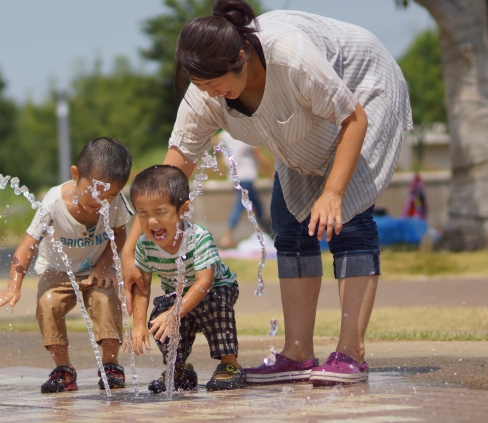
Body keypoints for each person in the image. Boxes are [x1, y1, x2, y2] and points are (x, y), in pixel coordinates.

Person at [123, 0, 412, 387]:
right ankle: (297, 352)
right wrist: (131, 251)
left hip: (362, 92)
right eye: (202, 87)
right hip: (305, 127)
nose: (211, 95)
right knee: (289, 225)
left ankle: (351, 352)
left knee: (350, 219)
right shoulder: (205, 94)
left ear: (242, 58)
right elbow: (168, 179)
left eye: (215, 84)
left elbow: (352, 117)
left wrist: (333, 192)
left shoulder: (290, 57)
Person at [0, 137, 134, 393]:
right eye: (93, 191)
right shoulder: (53, 203)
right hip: (57, 270)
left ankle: (111, 365)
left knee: (105, 299)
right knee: (48, 305)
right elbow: (28, 245)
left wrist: (105, 265)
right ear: (76, 174)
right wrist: (14, 284)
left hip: (95, 268)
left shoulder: (116, 202)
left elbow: (120, 233)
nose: (100, 202)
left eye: (109, 196)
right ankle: (64, 370)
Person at [127, 165, 245, 393]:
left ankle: (230, 365)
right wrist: (139, 325)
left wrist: (175, 313)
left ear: (183, 210)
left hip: (217, 288)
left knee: (215, 304)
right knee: (158, 317)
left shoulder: (198, 238)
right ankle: (178, 368)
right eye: (143, 214)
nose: (151, 222)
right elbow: (142, 287)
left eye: (160, 212)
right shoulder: (144, 245)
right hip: (179, 294)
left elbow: (204, 283)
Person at [212, 130, 273, 248]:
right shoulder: (248, 133)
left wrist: (223, 157)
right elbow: (259, 155)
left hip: (235, 175)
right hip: (246, 175)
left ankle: (269, 233)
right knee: (241, 204)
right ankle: (227, 236)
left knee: (257, 204)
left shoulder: (227, 132)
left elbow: (215, 140)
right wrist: (271, 170)